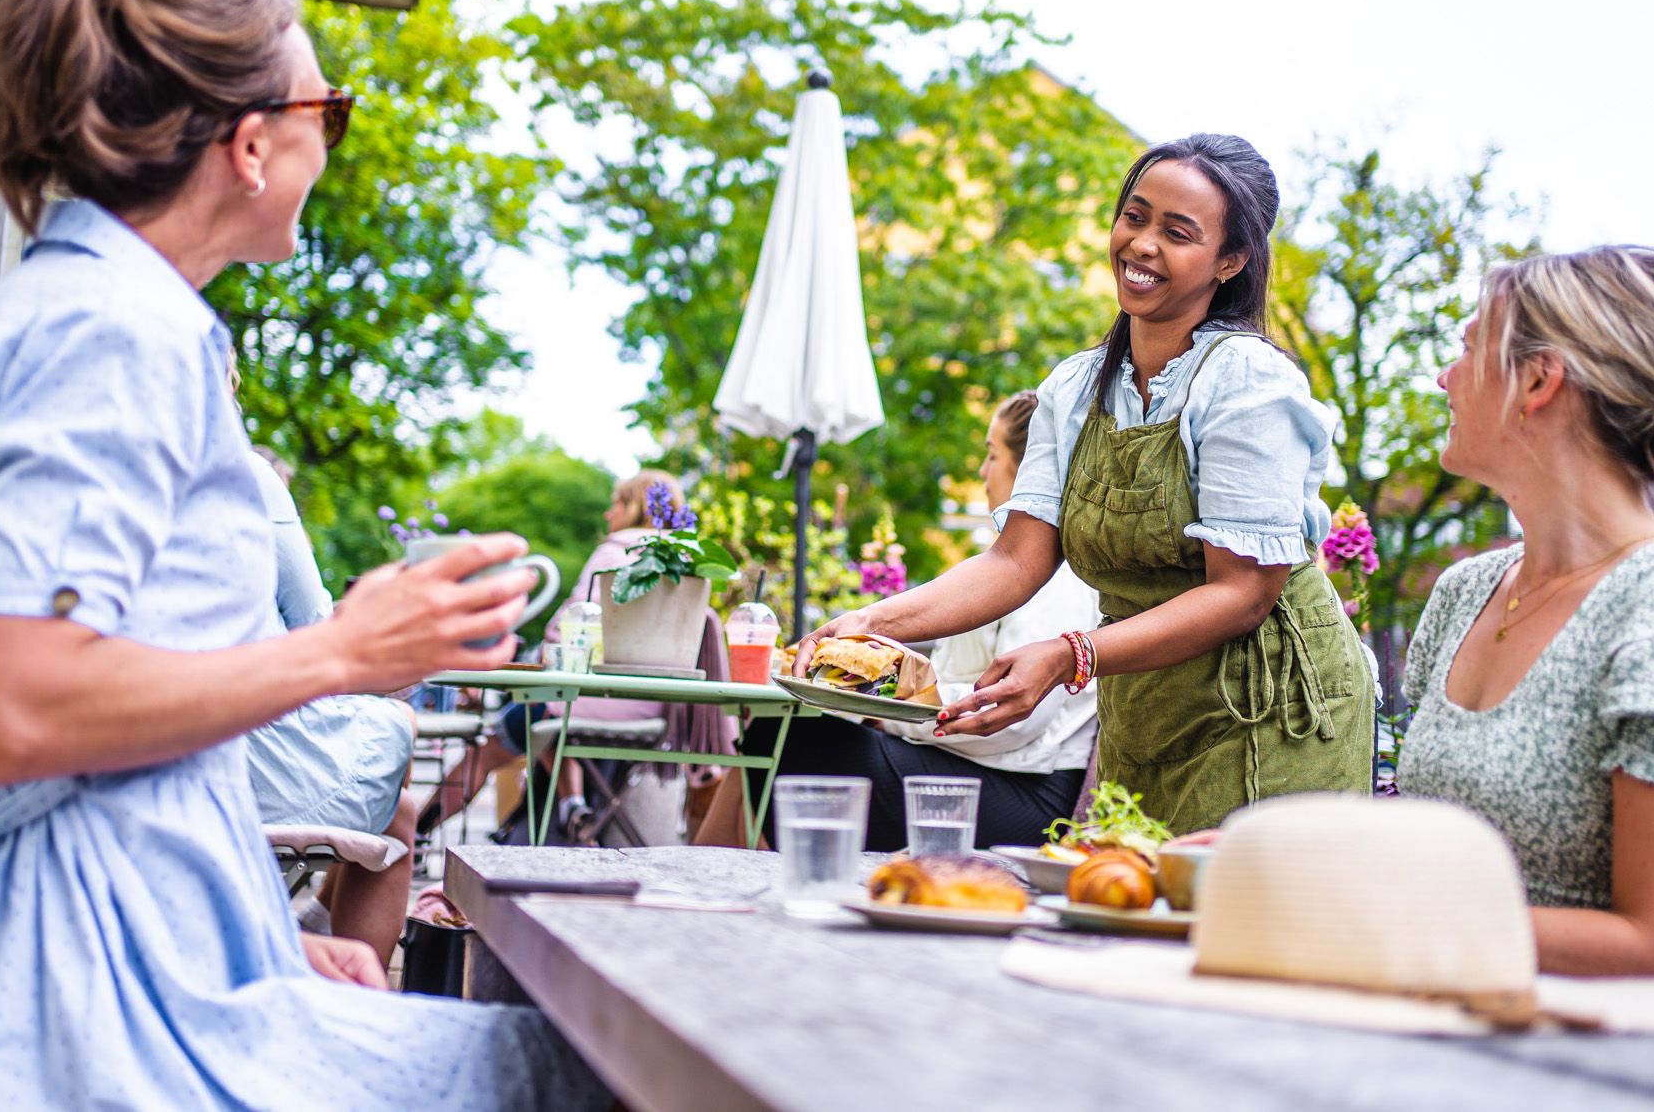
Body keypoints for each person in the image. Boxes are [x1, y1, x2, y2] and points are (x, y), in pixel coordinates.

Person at [0, 0, 606, 1110]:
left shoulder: (100, 313)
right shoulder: (112, 331)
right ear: (247, 143)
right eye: (324, 112)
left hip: (135, 960)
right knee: (586, 1074)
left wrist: (261, 942)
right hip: (83, 1014)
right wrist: (343, 652)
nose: (326, 141)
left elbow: (125, 747)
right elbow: (21, 708)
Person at [801, 134, 1375, 834]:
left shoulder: (1247, 381)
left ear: (1230, 261)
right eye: (1134, 216)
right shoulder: (1076, 388)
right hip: (1149, 713)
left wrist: (1074, 653)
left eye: (1177, 232)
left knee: (1240, 928)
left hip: (1273, 710)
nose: (1141, 244)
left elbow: (1243, 593)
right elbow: (1017, 559)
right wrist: (873, 622)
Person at [1397, 246, 1654, 995]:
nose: (1443, 377)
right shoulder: (1466, 591)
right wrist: (1270, 858)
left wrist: (1376, 910)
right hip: (1431, 1022)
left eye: (1467, 349)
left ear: (1538, 379)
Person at [702, 391, 1100, 849]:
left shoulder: (1055, 575)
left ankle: (715, 866)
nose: (982, 471)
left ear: (1028, 467)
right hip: (983, 766)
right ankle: (714, 862)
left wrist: (888, 715)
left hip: (1025, 792)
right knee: (780, 737)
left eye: (992, 455)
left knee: (789, 740)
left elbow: (1013, 721)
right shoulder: (1010, 567)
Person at [416, 470, 697, 840]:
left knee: (492, 748)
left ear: (632, 506)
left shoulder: (614, 552)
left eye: (614, 503)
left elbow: (570, 628)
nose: (607, 514)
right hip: (655, 711)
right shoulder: (690, 562)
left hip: (584, 704)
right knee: (551, 721)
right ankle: (570, 805)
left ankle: (418, 833)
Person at [242, 446, 419, 965]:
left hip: (106, 755)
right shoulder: (244, 470)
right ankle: (349, 979)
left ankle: (314, 921)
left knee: (398, 807)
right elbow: (314, 626)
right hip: (230, 763)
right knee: (400, 729)